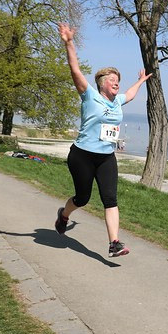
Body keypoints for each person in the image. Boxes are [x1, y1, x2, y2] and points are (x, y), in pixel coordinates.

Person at [53, 22, 150, 257]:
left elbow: (131, 94)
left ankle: (114, 243)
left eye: (119, 79)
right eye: (112, 79)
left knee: (110, 199)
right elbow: (75, 70)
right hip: (82, 155)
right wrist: (69, 43)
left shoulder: (117, 101)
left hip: (106, 156)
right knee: (83, 198)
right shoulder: (89, 96)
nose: (117, 82)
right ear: (101, 83)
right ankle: (64, 215)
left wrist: (140, 81)